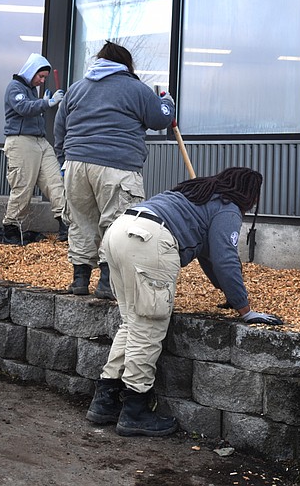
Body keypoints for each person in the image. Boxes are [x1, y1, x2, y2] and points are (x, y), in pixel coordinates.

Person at [85, 167, 282, 437]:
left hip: (120, 231)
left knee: (131, 323)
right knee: (149, 327)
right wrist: (245, 309)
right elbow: (225, 257)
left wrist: (230, 295)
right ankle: (134, 411)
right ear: (248, 194)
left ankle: (104, 401)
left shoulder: (195, 195)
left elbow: (209, 256)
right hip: (148, 242)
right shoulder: (227, 207)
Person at [55, 41, 174, 299]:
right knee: (118, 224)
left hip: (76, 164)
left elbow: (59, 127)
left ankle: (80, 279)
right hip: (116, 165)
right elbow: (160, 118)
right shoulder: (135, 89)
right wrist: (168, 102)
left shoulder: (77, 88)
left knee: (81, 221)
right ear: (125, 64)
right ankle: (108, 283)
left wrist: (63, 160)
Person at [3, 52, 67, 244]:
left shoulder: (30, 90)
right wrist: (47, 102)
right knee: (23, 185)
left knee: (56, 182)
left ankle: (65, 223)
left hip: (40, 141)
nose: (41, 81)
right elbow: (23, 108)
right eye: (40, 76)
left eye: (45, 78)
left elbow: (31, 106)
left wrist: (43, 102)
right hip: (21, 141)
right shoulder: (15, 87)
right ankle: (11, 228)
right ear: (31, 71)